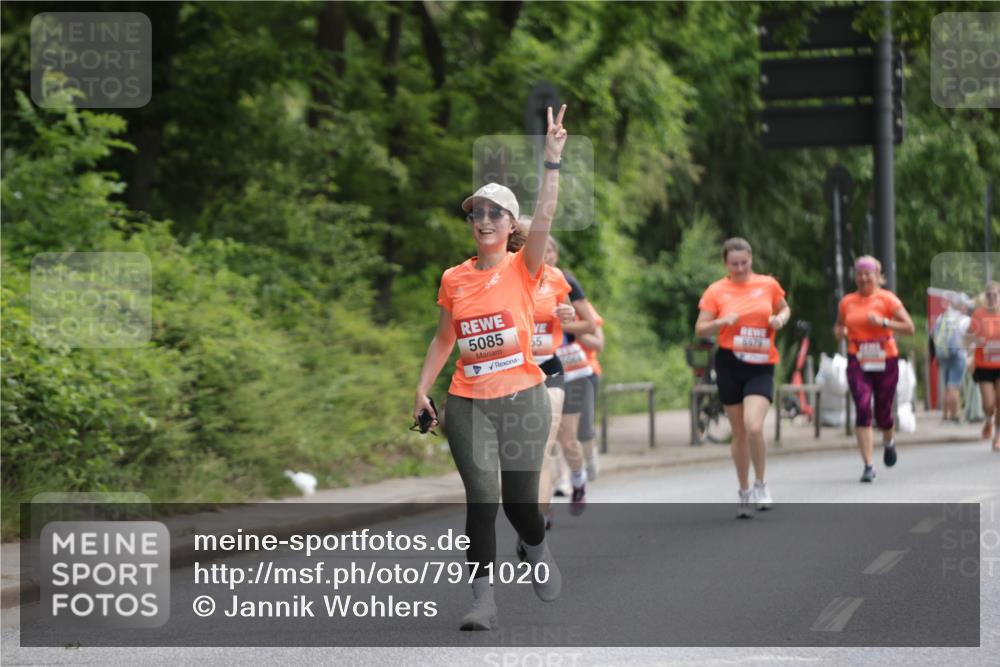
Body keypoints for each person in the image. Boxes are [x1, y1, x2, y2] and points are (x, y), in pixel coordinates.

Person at [412, 105, 568, 630]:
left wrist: (552, 161)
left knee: (520, 506)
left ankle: (537, 545)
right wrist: (420, 390)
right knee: (481, 498)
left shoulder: (526, 269)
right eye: (475, 213)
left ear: (509, 225)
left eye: (493, 214)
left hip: (523, 396)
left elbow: (544, 216)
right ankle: (484, 601)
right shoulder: (454, 279)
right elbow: (443, 339)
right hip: (468, 400)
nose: (482, 221)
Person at [695, 238, 790, 518]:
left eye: (744, 263)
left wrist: (779, 320)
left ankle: (761, 484)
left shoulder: (768, 285)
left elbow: (784, 308)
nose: (740, 268)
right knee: (738, 433)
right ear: (725, 264)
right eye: (734, 264)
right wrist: (720, 323)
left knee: (754, 427)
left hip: (761, 363)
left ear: (751, 259)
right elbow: (700, 328)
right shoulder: (716, 291)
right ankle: (744, 489)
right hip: (730, 363)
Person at [507, 216, 571, 534]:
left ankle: (537, 524)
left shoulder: (556, 278)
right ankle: (526, 514)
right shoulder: (499, 277)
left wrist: (569, 314)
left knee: (543, 445)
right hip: (512, 371)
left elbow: (570, 314)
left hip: (548, 366)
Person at [834, 255, 916, 482]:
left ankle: (889, 441)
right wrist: (840, 332)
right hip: (857, 359)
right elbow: (839, 325)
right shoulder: (847, 301)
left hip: (885, 360)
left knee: (883, 412)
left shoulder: (888, 300)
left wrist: (884, 322)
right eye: (859, 274)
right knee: (862, 406)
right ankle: (868, 465)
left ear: (878, 276)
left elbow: (909, 328)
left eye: (867, 274)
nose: (862, 278)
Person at [547, 237, 598, 515]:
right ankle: (541, 507)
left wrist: (565, 322)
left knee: (567, 438)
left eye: (550, 250)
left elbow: (589, 324)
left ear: (556, 253)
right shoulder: (518, 278)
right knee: (542, 439)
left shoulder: (565, 281)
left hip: (568, 366)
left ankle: (578, 477)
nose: (545, 255)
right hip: (535, 368)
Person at [969, 281, 1000, 451]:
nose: (992, 298)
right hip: (984, 364)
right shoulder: (978, 315)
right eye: (989, 295)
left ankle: (998, 436)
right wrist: (975, 340)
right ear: (985, 297)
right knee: (989, 404)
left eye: (995, 294)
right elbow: (966, 338)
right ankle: (989, 420)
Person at [932, 292, 972, 422]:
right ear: (962, 306)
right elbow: (971, 339)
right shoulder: (964, 319)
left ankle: (945, 414)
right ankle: (955, 414)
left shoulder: (941, 317)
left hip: (943, 355)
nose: (966, 308)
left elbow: (933, 336)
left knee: (946, 386)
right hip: (958, 355)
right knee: (954, 386)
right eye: (965, 305)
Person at [577, 307, 605, 481]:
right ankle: (567, 474)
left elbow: (599, 344)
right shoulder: (546, 305)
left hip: (586, 373)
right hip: (558, 374)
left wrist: (577, 333)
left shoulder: (584, 310)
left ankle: (590, 461)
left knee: (584, 424)